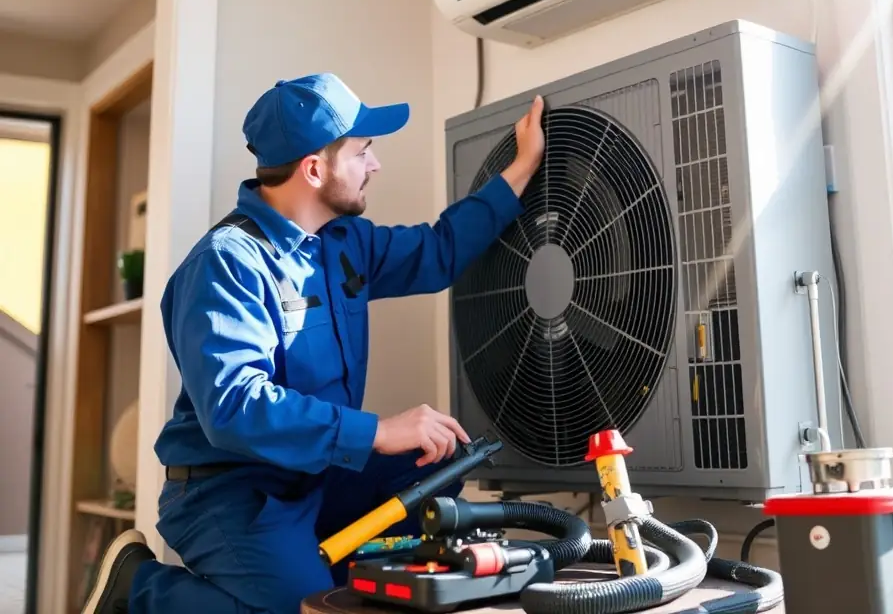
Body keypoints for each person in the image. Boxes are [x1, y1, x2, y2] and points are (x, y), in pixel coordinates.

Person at [81, 72, 545, 614]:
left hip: (319, 475)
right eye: (362, 152)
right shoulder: (226, 264)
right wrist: (378, 430)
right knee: (302, 608)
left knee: (433, 467)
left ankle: (338, 574)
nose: (374, 164)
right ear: (315, 168)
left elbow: (438, 252)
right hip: (233, 492)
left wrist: (522, 168)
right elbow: (236, 405)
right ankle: (138, 589)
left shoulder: (343, 241)